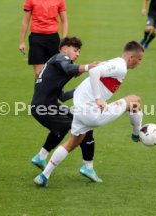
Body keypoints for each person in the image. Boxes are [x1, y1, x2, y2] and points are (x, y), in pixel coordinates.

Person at [34, 41, 145, 187]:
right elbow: (93, 72)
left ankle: (44, 175)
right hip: (92, 113)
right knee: (135, 101)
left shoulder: (113, 63)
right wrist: (98, 98)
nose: (140, 63)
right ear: (131, 57)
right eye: (139, 59)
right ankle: (137, 134)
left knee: (72, 143)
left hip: (79, 111)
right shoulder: (120, 66)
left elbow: (90, 79)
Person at [30, 36, 102, 183]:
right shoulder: (60, 58)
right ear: (64, 48)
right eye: (75, 50)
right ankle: (88, 167)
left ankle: (41, 157)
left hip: (45, 106)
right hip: (45, 107)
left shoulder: (55, 66)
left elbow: (62, 96)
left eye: (79, 52)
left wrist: (81, 89)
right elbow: (68, 67)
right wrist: (88, 67)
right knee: (85, 127)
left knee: (61, 130)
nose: (77, 54)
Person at [19, 0, 68, 78]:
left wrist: (64, 41)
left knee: (54, 72)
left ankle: (54, 90)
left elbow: (64, 21)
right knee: (39, 73)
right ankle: (39, 90)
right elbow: (25, 21)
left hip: (53, 38)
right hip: (36, 38)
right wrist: (22, 41)